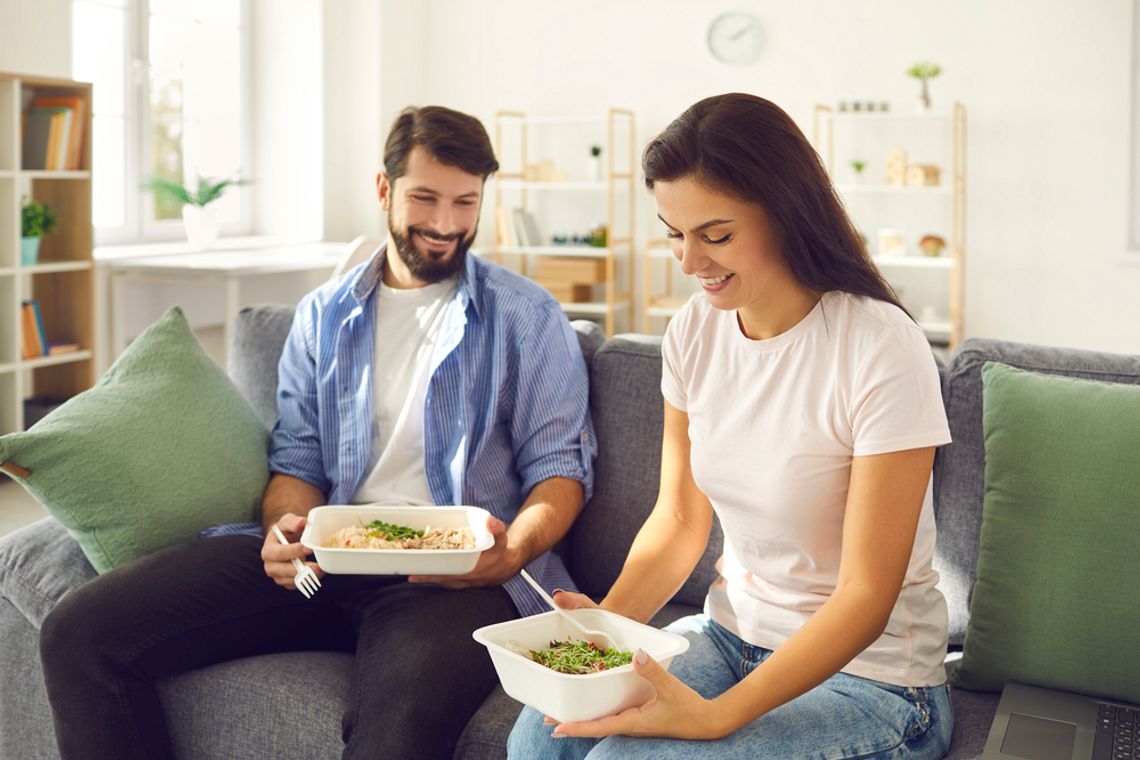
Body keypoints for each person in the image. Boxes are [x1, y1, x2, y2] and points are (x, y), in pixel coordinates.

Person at [39, 105, 596, 760]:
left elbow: (560, 469)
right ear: (384, 189)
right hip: (329, 557)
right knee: (80, 634)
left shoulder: (526, 316)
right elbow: (299, 459)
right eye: (425, 198)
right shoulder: (323, 317)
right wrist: (284, 531)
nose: (446, 224)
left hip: (451, 582)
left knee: (397, 732)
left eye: (464, 202)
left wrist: (509, 554)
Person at [508, 92, 953, 760]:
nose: (690, 262)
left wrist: (716, 719)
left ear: (787, 212)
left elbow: (868, 594)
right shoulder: (695, 330)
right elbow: (681, 518)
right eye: (673, 233)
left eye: (715, 235)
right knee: (544, 737)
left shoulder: (878, 345)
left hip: (875, 681)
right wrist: (605, 631)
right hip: (726, 635)